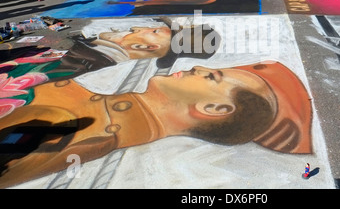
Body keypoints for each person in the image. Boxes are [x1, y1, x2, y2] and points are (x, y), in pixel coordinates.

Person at [0, 60, 312, 188]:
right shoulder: (92, 108)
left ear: (214, 108)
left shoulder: (90, 133)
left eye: (212, 77)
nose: (199, 66)